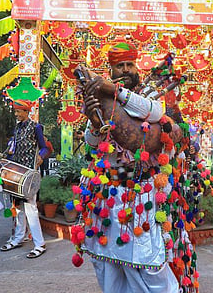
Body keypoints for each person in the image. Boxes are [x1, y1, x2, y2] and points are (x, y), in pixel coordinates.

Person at [80, 41, 179, 292]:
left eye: (129, 64)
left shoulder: (146, 95)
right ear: (110, 70)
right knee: (108, 265)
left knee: (148, 264)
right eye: (118, 65)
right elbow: (91, 144)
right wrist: (93, 123)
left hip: (141, 192)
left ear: (136, 67)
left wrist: (114, 91)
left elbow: (155, 113)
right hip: (108, 194)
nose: (125, 69)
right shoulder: (99, 99)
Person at [0, 99, 49, 259]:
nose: (16, 114)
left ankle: (39, 244)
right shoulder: (17, 128)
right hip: (16, 173)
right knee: (18, 207)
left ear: (27, 112)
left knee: (31, 208)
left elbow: (45, 147)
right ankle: (18, 238)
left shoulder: (36, 127)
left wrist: (41, 157)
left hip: (29, 173)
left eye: (19, 111)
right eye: (15, 111)